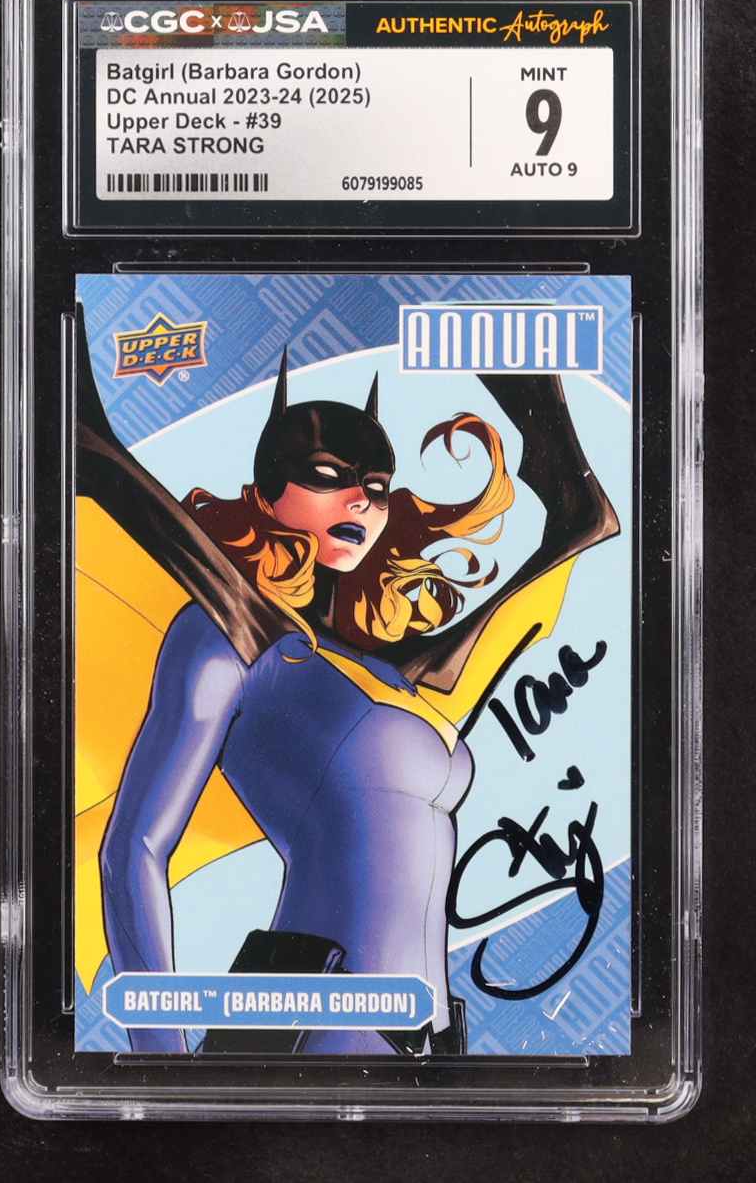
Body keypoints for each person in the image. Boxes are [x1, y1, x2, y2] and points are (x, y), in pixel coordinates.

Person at [78, 333, 618, 1056]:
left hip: (422, 1039)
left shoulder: (391, 675)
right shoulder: (229, 635)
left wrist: (568, 484)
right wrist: (161, 1060)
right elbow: (135, 848)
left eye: (377, 486)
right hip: (307, 1019)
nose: (361, 499)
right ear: (266, 490)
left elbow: (578, 532)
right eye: (328, 475)